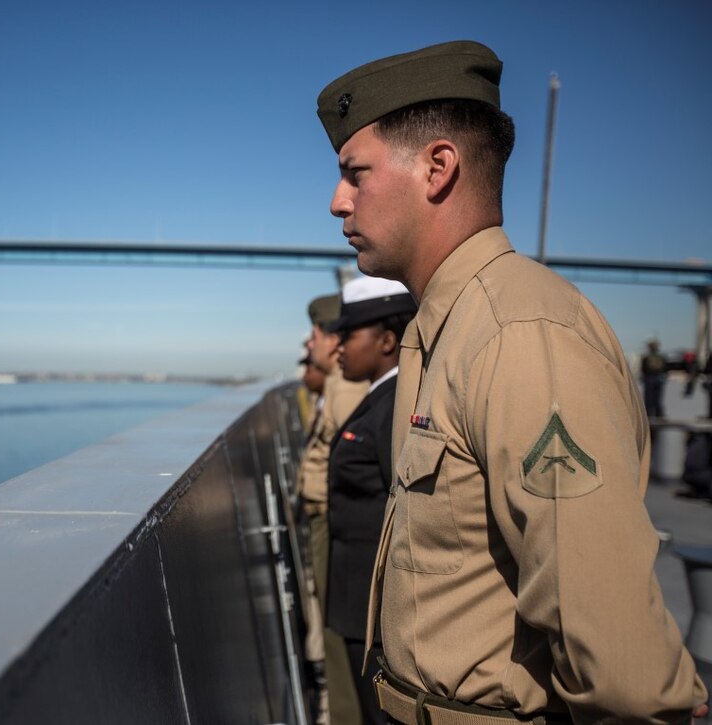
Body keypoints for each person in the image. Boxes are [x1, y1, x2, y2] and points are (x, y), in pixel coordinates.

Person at [315, 40, 707, 723]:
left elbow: (626, 675)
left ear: (439, 167)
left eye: (355, 172)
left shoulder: (519, 336)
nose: (336, 201)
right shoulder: (449, 329)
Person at [324, 276, 416, 725]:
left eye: (348, 335)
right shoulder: (381, 399)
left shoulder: (394, 406)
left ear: (386, 340)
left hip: (375, 617)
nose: (336, 346)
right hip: (358, 606)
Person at [296, 293, 369, 725]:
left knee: (336, 628)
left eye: (316, 333)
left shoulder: (346, 390)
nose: (311, 342)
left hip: (333, 523)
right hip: (327, 519)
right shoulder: (334, 385)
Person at [642, 338, 668, 418]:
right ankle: (659, 414)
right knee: (658, 398)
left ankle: (648, 415)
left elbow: (643, 369)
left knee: (649, 398)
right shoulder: (661, 357)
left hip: (649, 378)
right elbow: (665, 368)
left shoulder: (646, 358)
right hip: (659, 378)